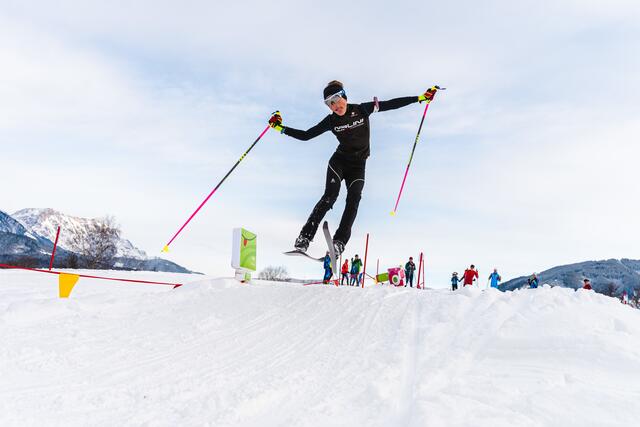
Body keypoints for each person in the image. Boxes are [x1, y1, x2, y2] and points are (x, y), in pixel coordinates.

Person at [269, 81, 439, 256]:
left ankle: (339, 242)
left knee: (353, 200)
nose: (335, 106)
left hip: (358, 166)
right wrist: (280, 128)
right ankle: (304, 238)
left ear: (344, 96)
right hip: (339, 162)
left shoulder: (362, 109)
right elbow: (306, 135)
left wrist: (420, 98)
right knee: (330, 197)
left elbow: (391, 104)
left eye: (336, 99)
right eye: (330, 103)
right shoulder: (331, 121)